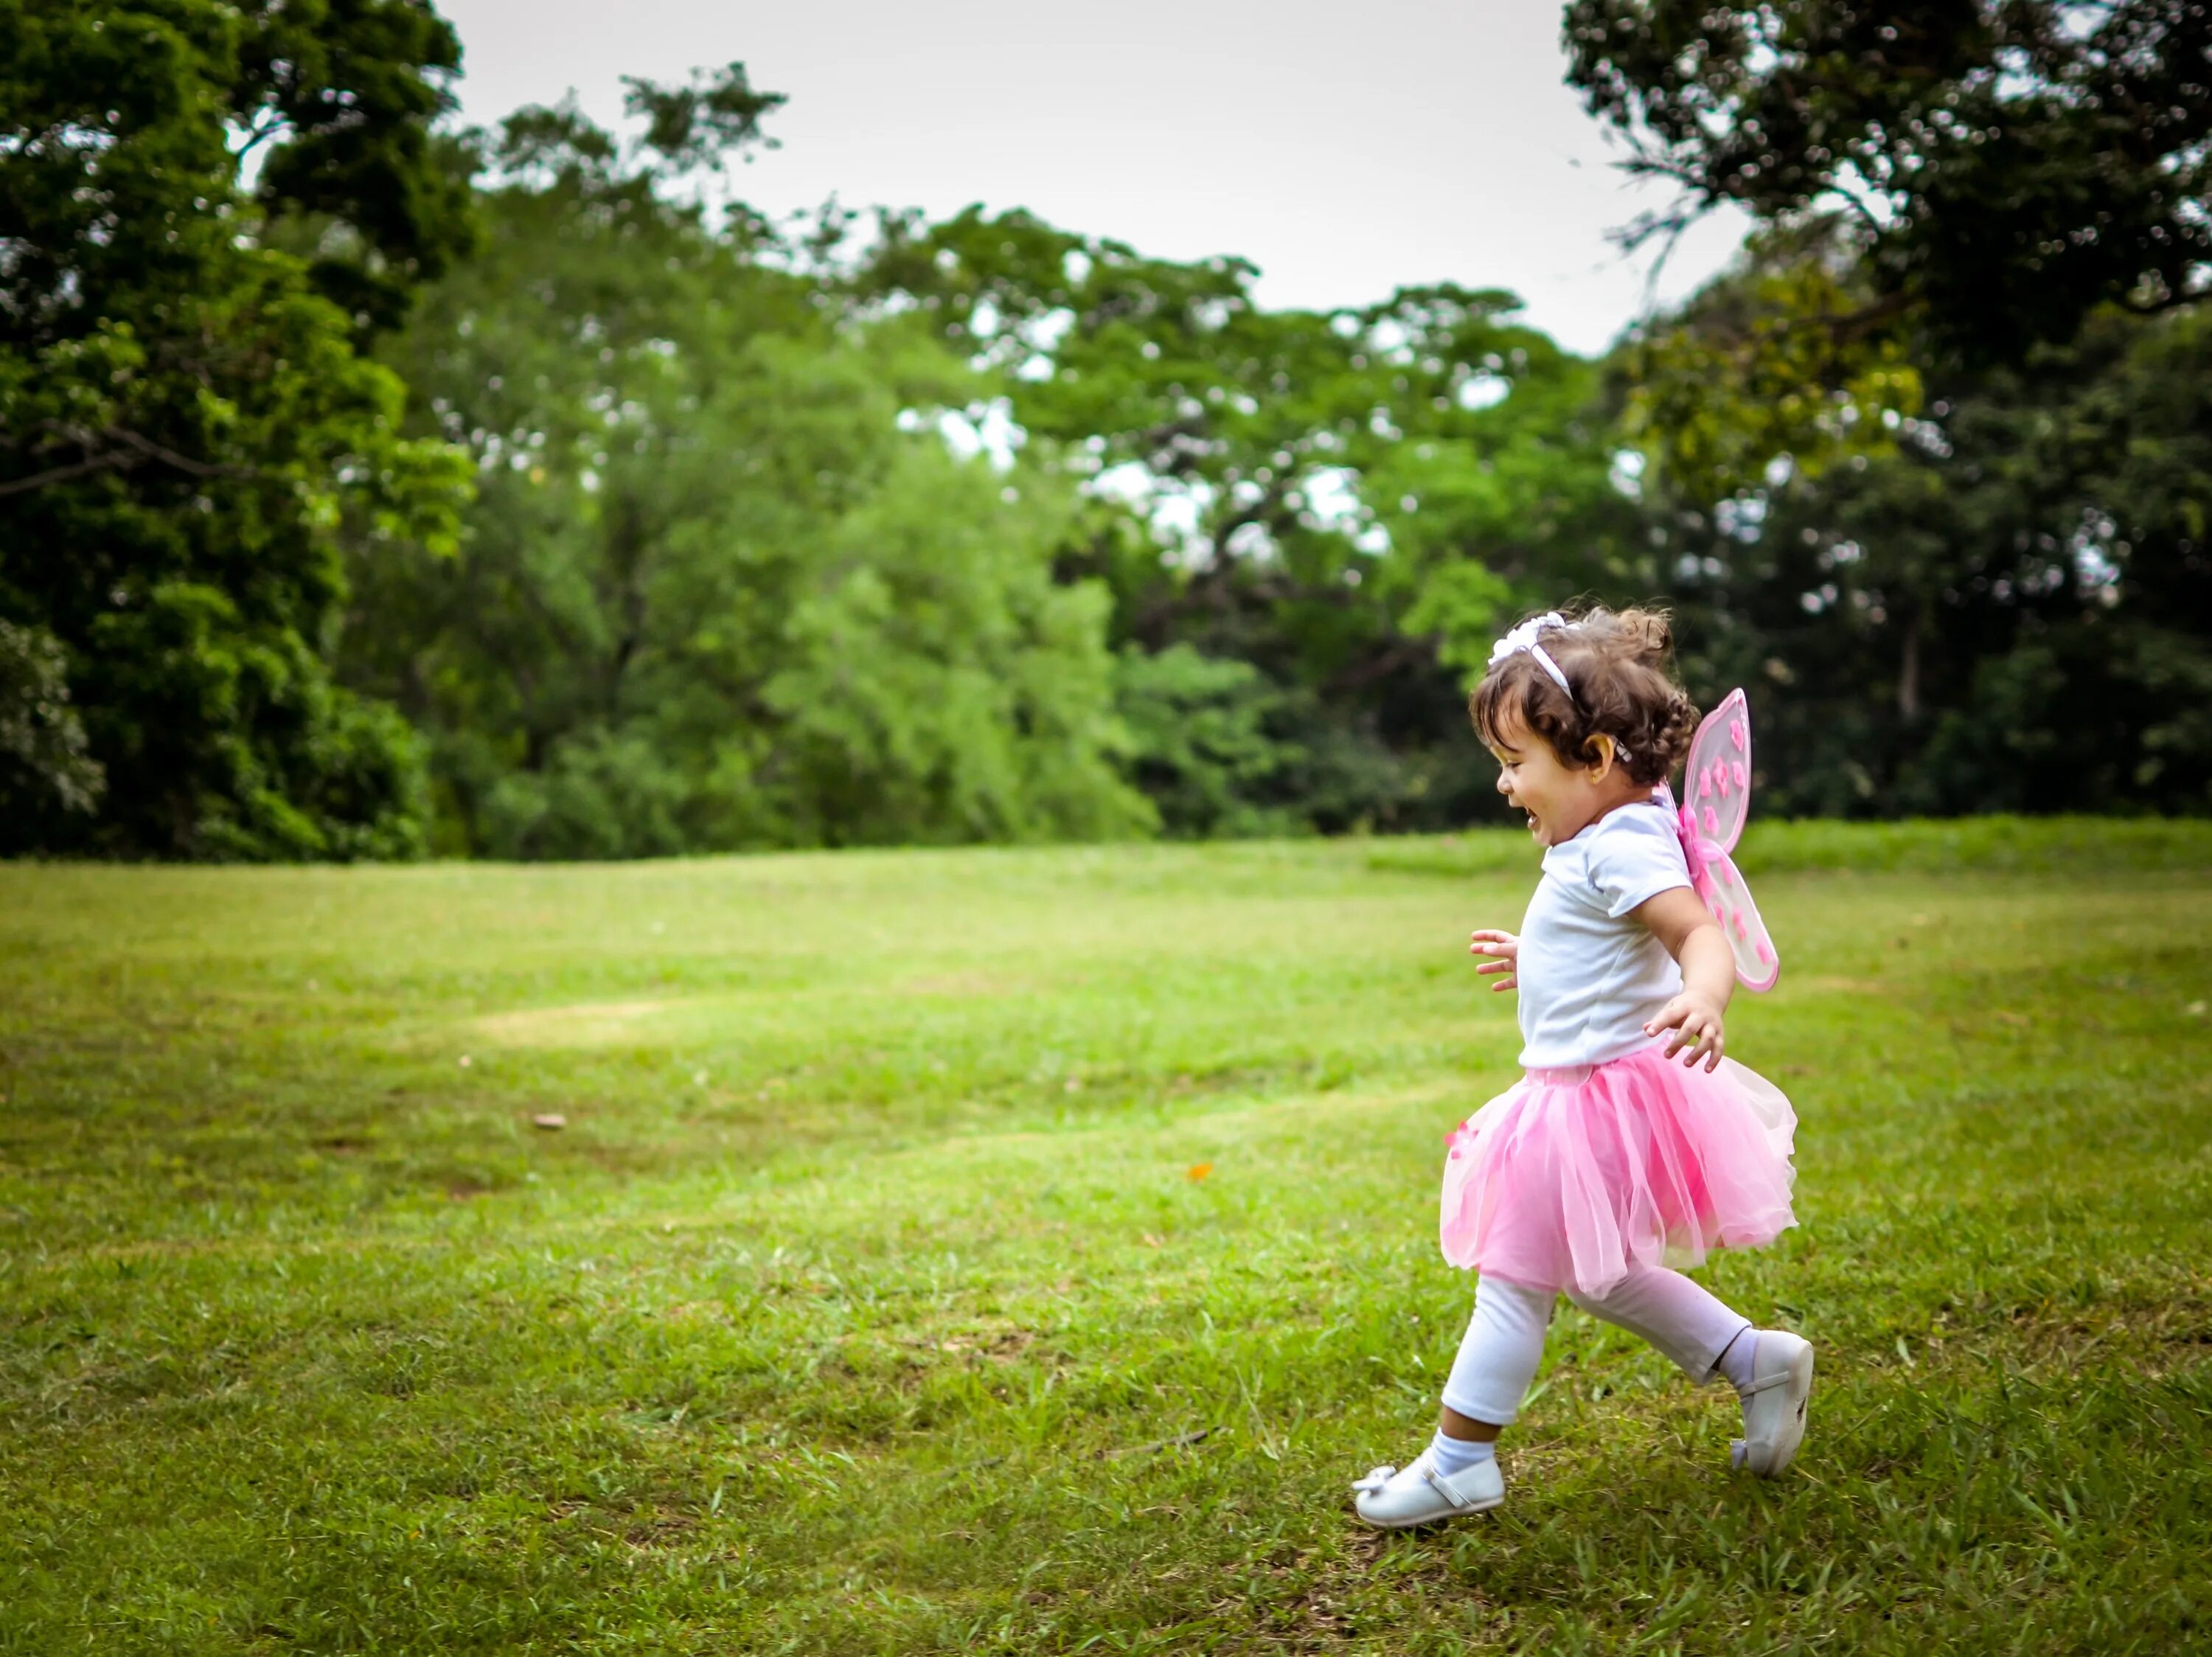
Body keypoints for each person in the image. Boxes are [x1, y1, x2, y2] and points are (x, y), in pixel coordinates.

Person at [1352, 605, 1810, 1529]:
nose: (1504, 784)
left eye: (1517, 763)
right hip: (1581, 1095)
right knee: (1597, 1276)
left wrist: (1706, 997)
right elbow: (1613, 942)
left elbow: (1696, 933)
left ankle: (1459, 1463)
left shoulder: (1624, 842)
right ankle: (1753, 1360)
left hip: (1592, 1103)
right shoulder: (1603, 836)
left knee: (1512, 1281)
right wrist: (1544, 957)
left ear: (1594, 759)